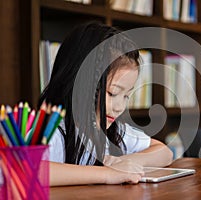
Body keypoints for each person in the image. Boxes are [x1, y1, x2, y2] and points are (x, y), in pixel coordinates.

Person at [39, 21, 173, 186]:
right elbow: (30, 171)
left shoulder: (113, 131)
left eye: (126, 96)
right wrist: (106, 173)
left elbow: (164, 152)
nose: (119, 107)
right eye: (113, 93)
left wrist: (123, 162)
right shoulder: (54, 131)